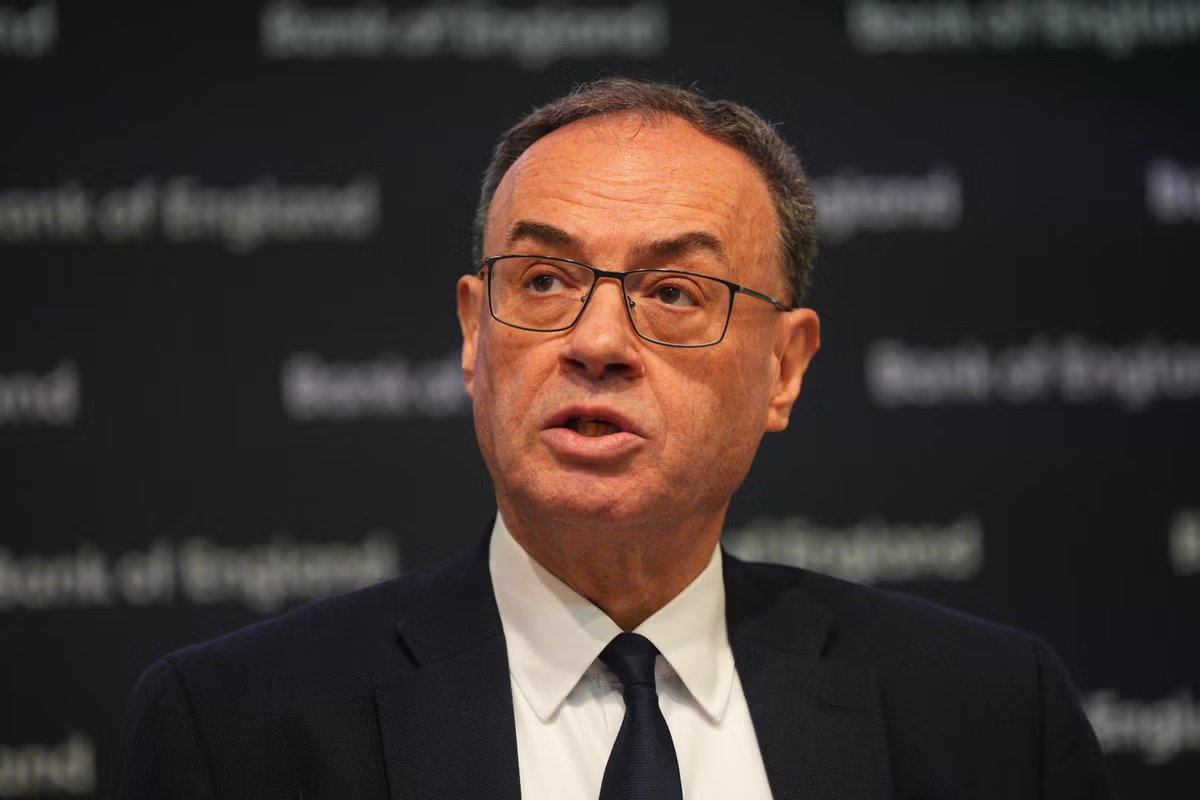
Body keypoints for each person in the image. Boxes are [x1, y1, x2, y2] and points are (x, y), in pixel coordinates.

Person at [117, 78, 1115, 799]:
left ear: (784, 366)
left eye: (674, 292)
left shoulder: (989, 717)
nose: (596, 342)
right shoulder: (238, 730)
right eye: (544, 280)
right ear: (474, 334)